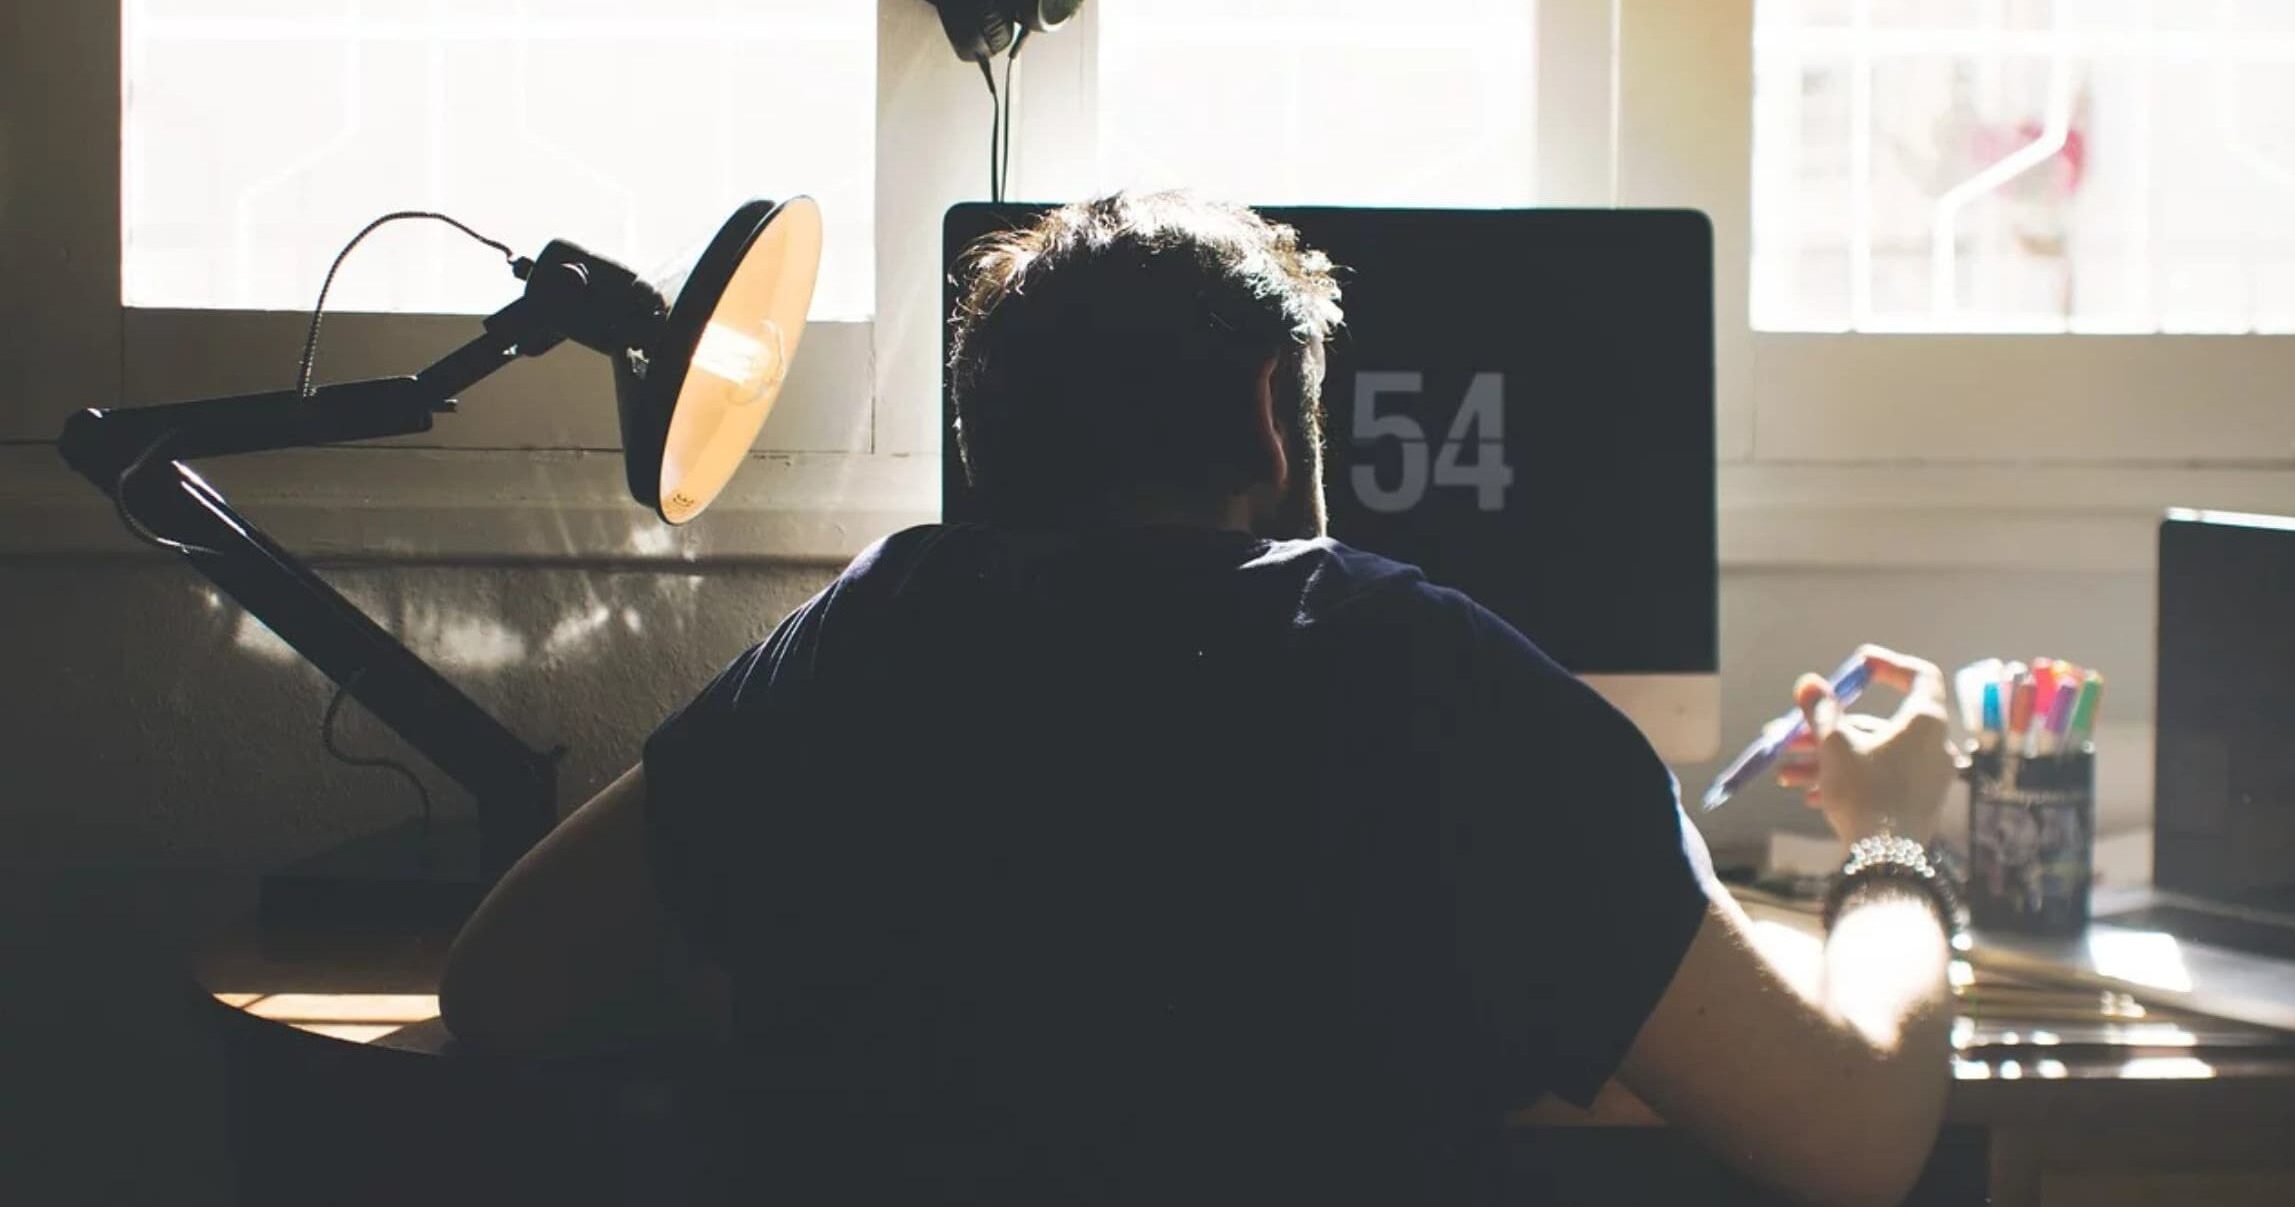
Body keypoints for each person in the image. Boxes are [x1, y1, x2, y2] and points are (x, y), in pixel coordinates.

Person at [442, 192, 1962, 1206]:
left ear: (992, 445)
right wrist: (1888, 845)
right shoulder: (1438, 675)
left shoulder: (871, 638)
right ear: (1265, 416)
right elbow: (1858, 1137)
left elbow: (497, 988)